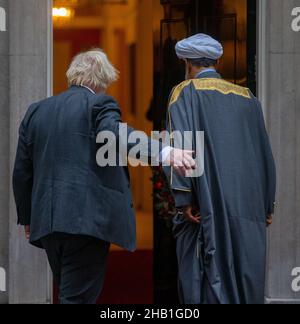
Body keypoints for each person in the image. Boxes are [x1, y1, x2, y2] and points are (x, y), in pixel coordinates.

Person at [12, 49, 195, 304]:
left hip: (48, 221)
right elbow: (116, 135)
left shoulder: (37, 111)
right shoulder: (99, 104)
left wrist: (28, 217)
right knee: (77, 298)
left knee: (69, 291)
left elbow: (22, 171)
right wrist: (165, 152)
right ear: (102, 80)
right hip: (85, 220)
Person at [165, 34, 276, 304]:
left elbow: (182, 146)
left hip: (208, 201)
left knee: (207, 279)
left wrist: (184, 198)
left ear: (188, 63)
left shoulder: (184, 91)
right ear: (217, 61)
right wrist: (268, 204)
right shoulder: (248, 97)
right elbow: (265, 153)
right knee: (245, 273)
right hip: (249, 204)